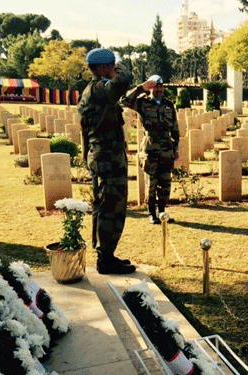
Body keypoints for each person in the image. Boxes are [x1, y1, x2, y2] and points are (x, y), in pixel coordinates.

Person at [78, 48, 136, 275]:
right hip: (108, 159)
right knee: (111, 208)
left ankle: (106, 255)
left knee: (105, 207)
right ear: (103, 68)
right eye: (111, 64)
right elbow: (123, 81)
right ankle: (105, 259)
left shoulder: (93, 91)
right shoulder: (99, 89)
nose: (115, 68)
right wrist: (121, 64)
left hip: (104, 157)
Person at [121, 75, 179, 224]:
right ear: (150, 88)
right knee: (151, 182)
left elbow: (175, 128)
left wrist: (175, 148)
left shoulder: (168, 104)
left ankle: (163, 212)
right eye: (155, 87)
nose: (158, 90)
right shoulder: (142, 102)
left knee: (165, 182)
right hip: (150, 147)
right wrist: (140, 88)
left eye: (160, 87)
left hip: (166, 148)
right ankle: (152, 213)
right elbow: (124, 101)